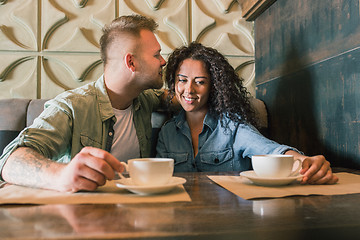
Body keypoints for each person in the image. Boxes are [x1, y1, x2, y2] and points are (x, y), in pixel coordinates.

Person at [0, 15, 168, 192]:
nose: (163, 61)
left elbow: (173, 97)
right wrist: (60, 176)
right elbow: (10, 161)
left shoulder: (145, 98)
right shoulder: (71, 107)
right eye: (156, 55)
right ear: (131, 62)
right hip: (82, 213)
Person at [156, 42, 338, 184]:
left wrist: (304, 161)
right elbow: (158, 178)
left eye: (200, 82)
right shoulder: (167, 133)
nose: (189, 89)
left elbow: (271, 150)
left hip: (230, 216)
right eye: (182, 80)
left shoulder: (232, 127)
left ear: (213, 87)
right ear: (174, 83)